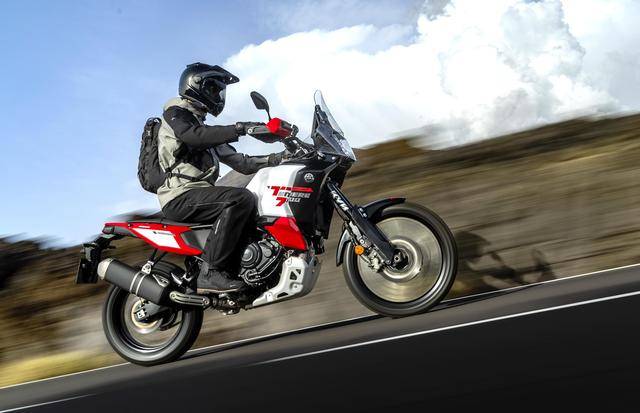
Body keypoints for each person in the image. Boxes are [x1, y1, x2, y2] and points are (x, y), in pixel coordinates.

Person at [157, 62, 282, 293]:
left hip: (199, 194)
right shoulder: (175, 115)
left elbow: (242, 163)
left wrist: (279, 158)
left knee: (255, 206)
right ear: (195, 85)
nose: (219, 96)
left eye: (220, 91)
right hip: (180, 196)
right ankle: (211, 272)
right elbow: (194, 136)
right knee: (240, 199)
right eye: (214, 89)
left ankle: (244, 268)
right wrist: (241, 128)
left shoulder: (203, 129)